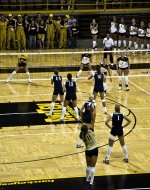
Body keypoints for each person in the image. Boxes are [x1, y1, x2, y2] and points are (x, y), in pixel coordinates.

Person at [80, 124, 98, 189]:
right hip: (95, 149)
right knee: (93, 167)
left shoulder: (82, 136)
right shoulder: (91, 131)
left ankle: (87, 178)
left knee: (88, 166)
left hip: (88, 150)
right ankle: (91, 182)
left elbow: (82, 132)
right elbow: (91, 126)